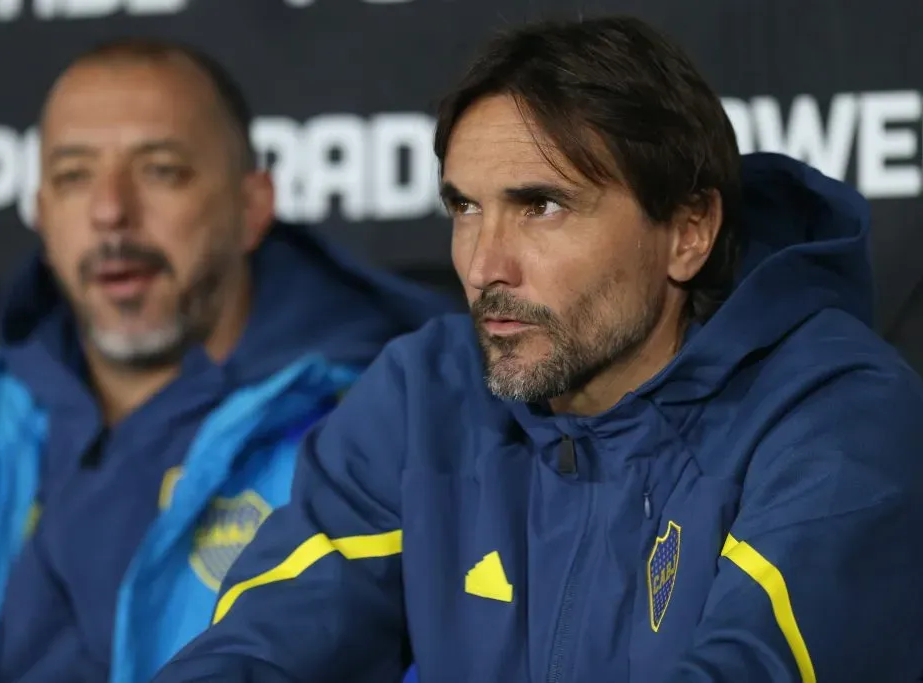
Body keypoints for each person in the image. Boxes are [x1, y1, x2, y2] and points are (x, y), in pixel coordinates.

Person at [153, 15, 923, 683]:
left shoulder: (838, 414)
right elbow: (265, 645)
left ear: (688, 232)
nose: (486, 265)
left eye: (542, 206)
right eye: (464, 208)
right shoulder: (428, 395)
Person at [0, 38, 452, 683]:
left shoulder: (374, 442)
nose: (111, 213)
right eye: (74, 176)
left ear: (252, 208)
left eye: (161, 170)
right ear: (41, 214)